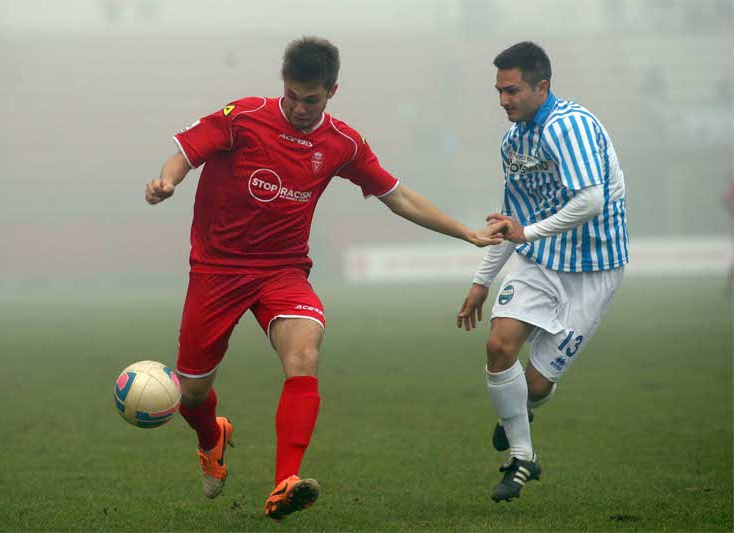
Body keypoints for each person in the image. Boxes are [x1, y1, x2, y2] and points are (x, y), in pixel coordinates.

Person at [146, 36, 507, 520]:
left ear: (332, 91)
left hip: (283, 271)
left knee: (305, 352)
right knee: (190, 393)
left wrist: (465, 232)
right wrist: (167, 180)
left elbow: (397, 196)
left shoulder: (343, 143)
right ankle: (212, 436)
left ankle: (285, 482)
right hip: (216, 272)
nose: (298, 107)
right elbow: (185, 153)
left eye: (310, 99)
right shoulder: (244, 117)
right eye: (292, 95)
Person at [456, 41, 629, 503]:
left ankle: (518, 411)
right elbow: (510, 219)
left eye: (512, 91)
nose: (503, 101)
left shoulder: (568, 126)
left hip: (594, 267)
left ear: (542, 86)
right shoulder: (514, 141)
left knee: (532, 386)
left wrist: (528, 233)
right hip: (540, 260)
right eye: (498, 91)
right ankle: (522, 458)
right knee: (498, 346)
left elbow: (590, 201)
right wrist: (481, 281)